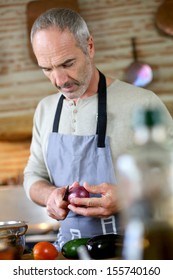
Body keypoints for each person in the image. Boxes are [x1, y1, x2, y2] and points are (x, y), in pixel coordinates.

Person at [23, 7, 173, 251]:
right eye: (47, 69)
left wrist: (127, 196)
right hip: (72, 253)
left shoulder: (142, 103)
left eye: (67, 63)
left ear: (89, 46)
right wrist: (49, 195)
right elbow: (33, 175)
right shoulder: (45, 110)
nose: (59, 80)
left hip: (141, 252)